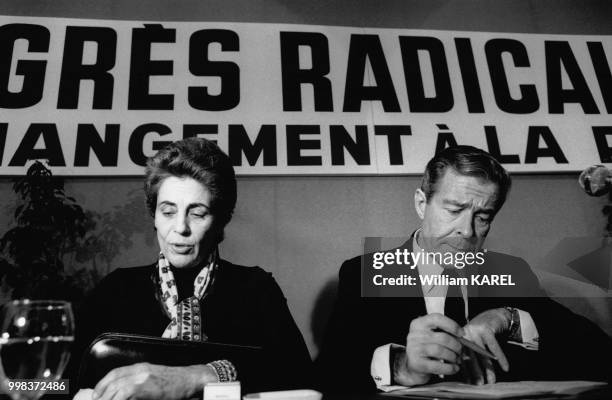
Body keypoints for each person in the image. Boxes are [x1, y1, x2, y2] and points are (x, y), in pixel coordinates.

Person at [315, 145, 612, 393]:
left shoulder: (511, 271)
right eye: (454, 210)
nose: (467, 231)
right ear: (422, 204)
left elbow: (598, 354)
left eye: (483, 216)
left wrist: (509, 318)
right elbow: (330, 377)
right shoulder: (366, 273)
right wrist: (402, 366)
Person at [69, 138, 312, 400]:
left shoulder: (255, 288)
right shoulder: (115, 289)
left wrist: (197, 377)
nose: (180, 228)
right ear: (154, 216)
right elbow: (52, 384)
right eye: (168, 212)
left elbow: (302, 377)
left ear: (220, 221)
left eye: (197, 213)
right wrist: (21, 385)